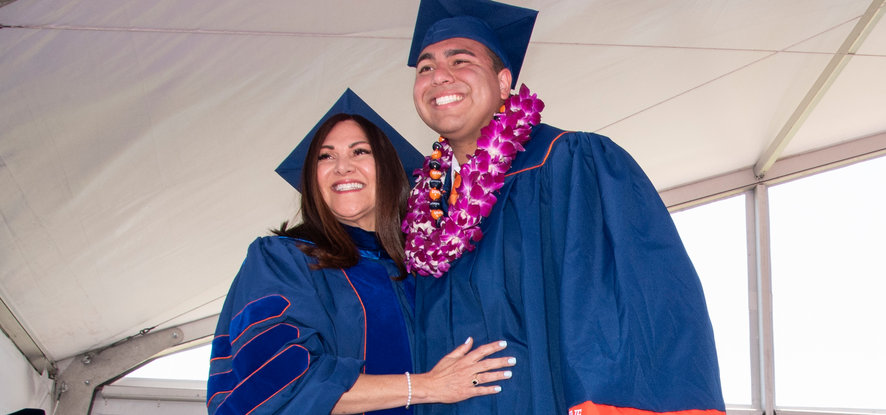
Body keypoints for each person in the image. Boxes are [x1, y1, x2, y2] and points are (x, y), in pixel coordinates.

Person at [400, 1, 728, 414]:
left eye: (460, 60)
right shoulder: (421, 208)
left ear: (504, 83)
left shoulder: (569, 162)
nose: (439, 76)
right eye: (425, 68)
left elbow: (634, 304)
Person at [207, 89, 516, 415]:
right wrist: (427, 386)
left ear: (387, 170)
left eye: (360, 152)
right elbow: (277, 383)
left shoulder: (424, 272)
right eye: (326, 156)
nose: (342, 167)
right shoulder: (283, 261)